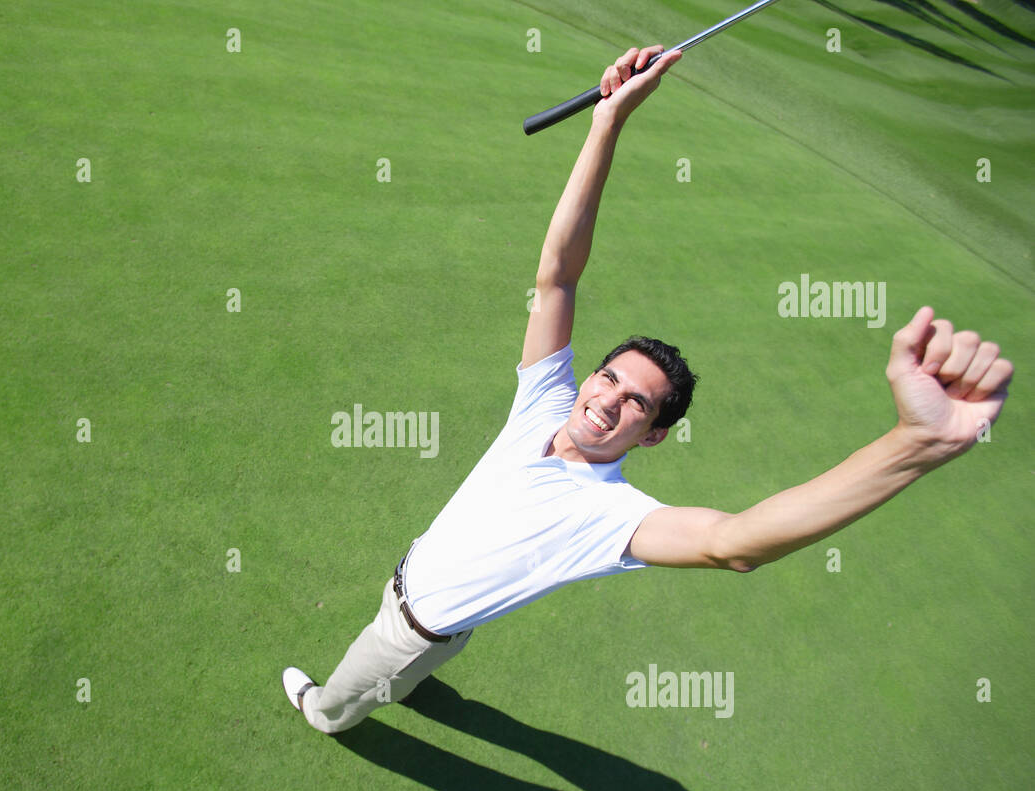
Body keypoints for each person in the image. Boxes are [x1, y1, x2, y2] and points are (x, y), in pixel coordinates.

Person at [282, 45, 1013, 735]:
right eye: (609, 376)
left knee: (346, 696)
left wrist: (915, 444)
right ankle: (406, 677)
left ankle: (329, 710)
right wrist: (608, 121)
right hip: (421, 585)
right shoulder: (544, 402)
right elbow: (558, 276)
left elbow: (735, 544)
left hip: (413, 632)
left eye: (637, 403)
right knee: (408, 654)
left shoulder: (610, 515)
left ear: (654, 435)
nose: (607, 398)